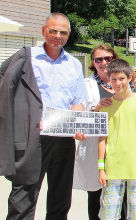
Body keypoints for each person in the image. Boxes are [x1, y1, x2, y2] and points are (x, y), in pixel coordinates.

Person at [0, 13, 88, 219]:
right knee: (23, 197)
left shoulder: (74, 64)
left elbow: (77, 102)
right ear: (43, 31)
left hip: (64, 139)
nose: (58, 36)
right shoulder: (26, 57)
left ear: (68, 35)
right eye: (53, 31)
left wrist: (79, 125)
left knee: (61, 198)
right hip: (33, 137)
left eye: (63, 32)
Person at [97, 59, 136, 220]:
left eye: (122, 79)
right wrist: (101, 169)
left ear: (130, 78)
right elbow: (101, 139)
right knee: (108, 214)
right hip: (112, 169)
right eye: (113, 79)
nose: (118, 83)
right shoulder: (105, 105)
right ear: (109, 80)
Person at [72, 44, 119, 220]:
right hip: (96, 146)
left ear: (114, 59)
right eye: (98, 59)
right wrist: (96, 108)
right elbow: (80, 116)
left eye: (107, 58)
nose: (103, 62)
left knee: (120, 194)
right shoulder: (85, 85)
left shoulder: (123, 83)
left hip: (119, 146)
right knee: (96, 195)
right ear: (93, 62)